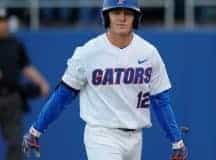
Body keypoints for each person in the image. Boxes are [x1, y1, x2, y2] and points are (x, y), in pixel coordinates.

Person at [22, 0, 188, 160]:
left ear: (136, 18)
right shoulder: (87, 53)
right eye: (116, 12)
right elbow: (63, 96)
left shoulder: (149, 53)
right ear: (106, 16)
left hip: (136, 136)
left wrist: (176, 140)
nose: (122, 18)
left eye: (127, 13)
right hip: (101, 134)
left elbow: (160, 101)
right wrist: (36, 129)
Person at [0, 8, 49, 160]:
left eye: (4, 21)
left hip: (11, 97)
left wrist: (41, 82)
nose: (2, 25)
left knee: (15, 142)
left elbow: (25, 66)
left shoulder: (15, 44)